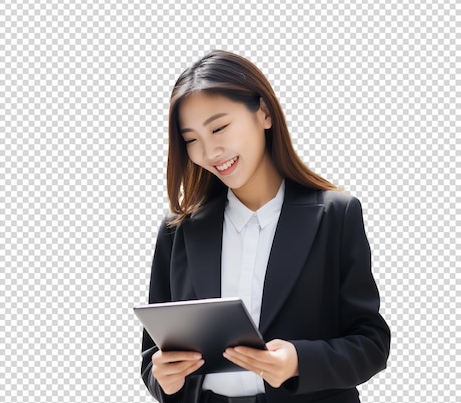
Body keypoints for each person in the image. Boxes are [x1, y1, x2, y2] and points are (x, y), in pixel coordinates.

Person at [140, 50, 390, 403]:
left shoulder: (335, 214)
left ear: (265, 113)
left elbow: (372, 344)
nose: (210, 151)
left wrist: (298, 363)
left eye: (220, 127)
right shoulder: (178, 229)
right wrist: (164, 378)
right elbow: (152, 360)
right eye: (192, 139)